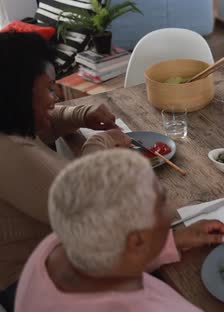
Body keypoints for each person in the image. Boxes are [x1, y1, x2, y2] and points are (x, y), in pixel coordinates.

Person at [0, 32, 130, 311]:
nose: (55, 97)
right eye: (48, 89)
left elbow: (44, 120)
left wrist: (82, 115)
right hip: (29, 280)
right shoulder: (10, 151)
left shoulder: (10, 119)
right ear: (18, 93)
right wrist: (103, 142)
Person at [15, 149, 224, 311]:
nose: (171, 206)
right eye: (162, 201)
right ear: (137, 241)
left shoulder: (53, 247)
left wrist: (173, 240)